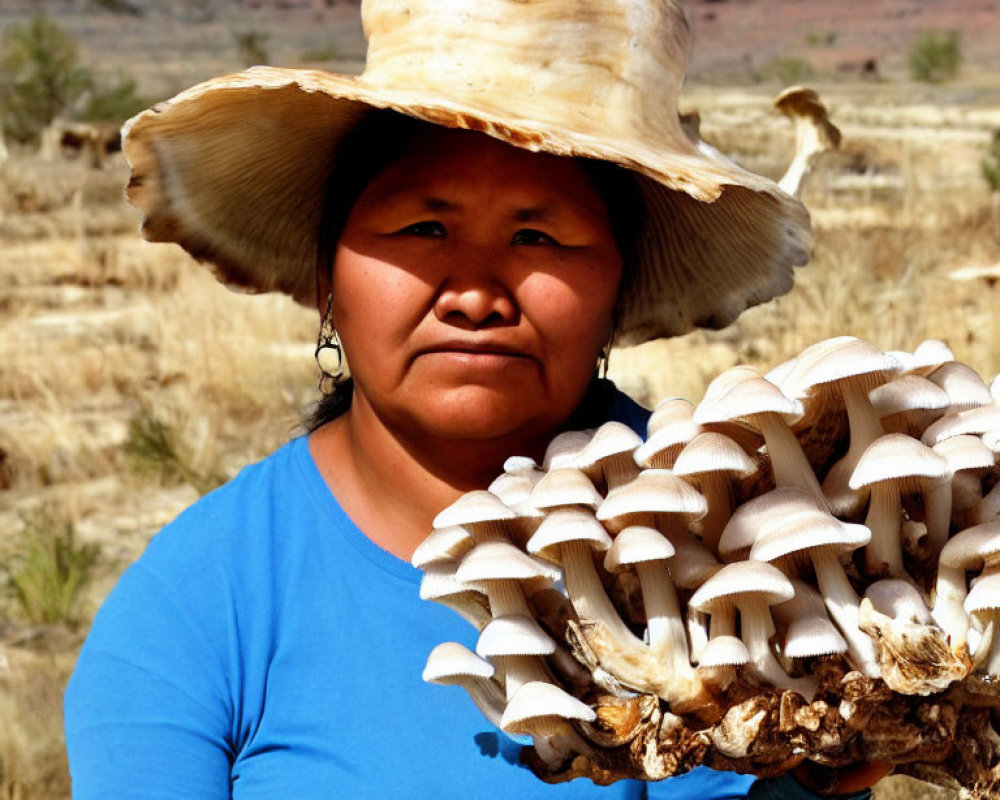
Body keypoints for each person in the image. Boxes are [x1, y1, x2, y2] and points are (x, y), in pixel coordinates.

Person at [63, 1, 888, 798]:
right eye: (424, 228)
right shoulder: (196, 604)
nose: (475, 294)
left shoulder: (738, 543)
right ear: (328, 279)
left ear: (616, 291)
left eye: (539, 236)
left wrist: (816, 781)